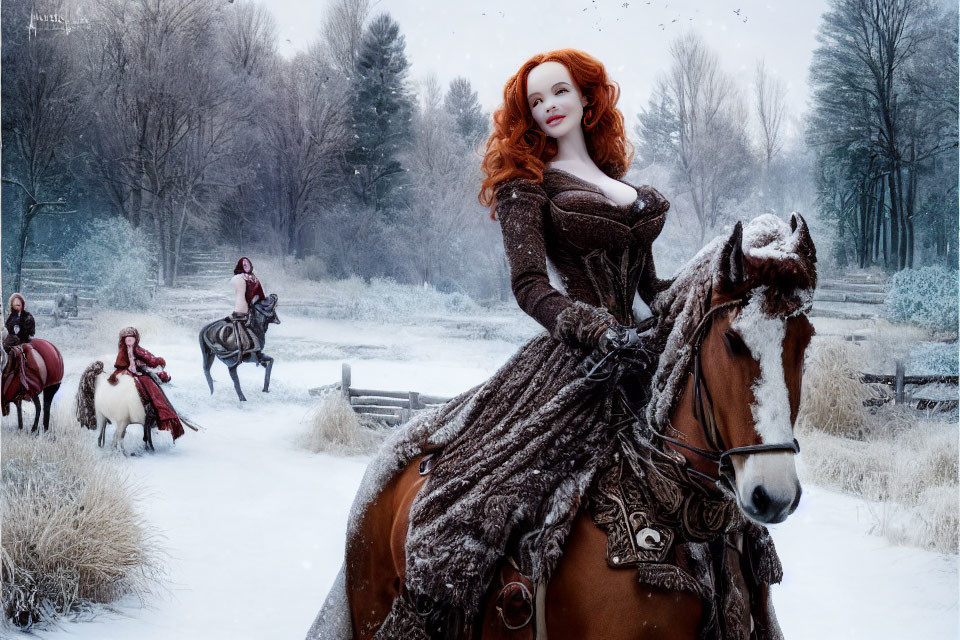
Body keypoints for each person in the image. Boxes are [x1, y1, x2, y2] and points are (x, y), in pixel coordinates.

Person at [314, 49, 674, 638]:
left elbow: (650, 290)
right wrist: (592, 326)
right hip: (572, 360)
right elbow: (530, 287)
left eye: (559, 92)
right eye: (535, 101)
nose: (548, 106)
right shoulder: (525, 188)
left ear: (588, 97)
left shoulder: (621, 187)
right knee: (491, 494)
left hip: (638, 355)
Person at [107, 327, 184, 440]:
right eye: (127, 338)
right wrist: (159, 361)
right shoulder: (135, 350)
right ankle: (159, 414)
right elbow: (151, 360)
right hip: (134, 374)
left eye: (131, 338)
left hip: (126, 373)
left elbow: (139, 360)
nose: (129, 341)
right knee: (154, 392)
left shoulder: (128, 350)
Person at [227, 256, 266, 357]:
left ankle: (255, 349)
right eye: (244, 264)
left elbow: (260, 295)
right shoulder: (238, 278)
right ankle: (242, 349)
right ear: (241, 266)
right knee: (244, 326)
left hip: (252, 309)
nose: (246, 265)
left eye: (247, 263)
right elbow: (239, 292)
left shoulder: (255, 278)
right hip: (241, 309)